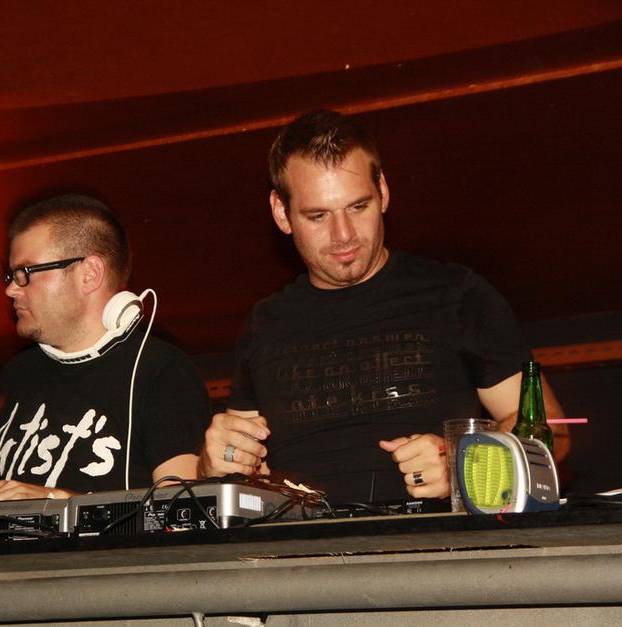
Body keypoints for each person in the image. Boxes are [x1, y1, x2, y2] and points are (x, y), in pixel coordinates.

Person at [199, 109, 568, 503]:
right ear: (281, 213)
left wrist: (465, 463)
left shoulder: (456, 294)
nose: (343, 234)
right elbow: (234, 463)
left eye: (358, 207)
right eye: (318, 216)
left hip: (435, 541)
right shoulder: (264, 324)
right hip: (301, 541)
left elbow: (554, 434)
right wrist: (210, 465)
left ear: (383, 192)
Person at [0, 194, 210, 503]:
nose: (11, 289)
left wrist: (60, 502)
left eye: (25, 272)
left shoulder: (160, 370)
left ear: (89, 274)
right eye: (11, 275)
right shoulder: (18, 373)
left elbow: (179, 511)